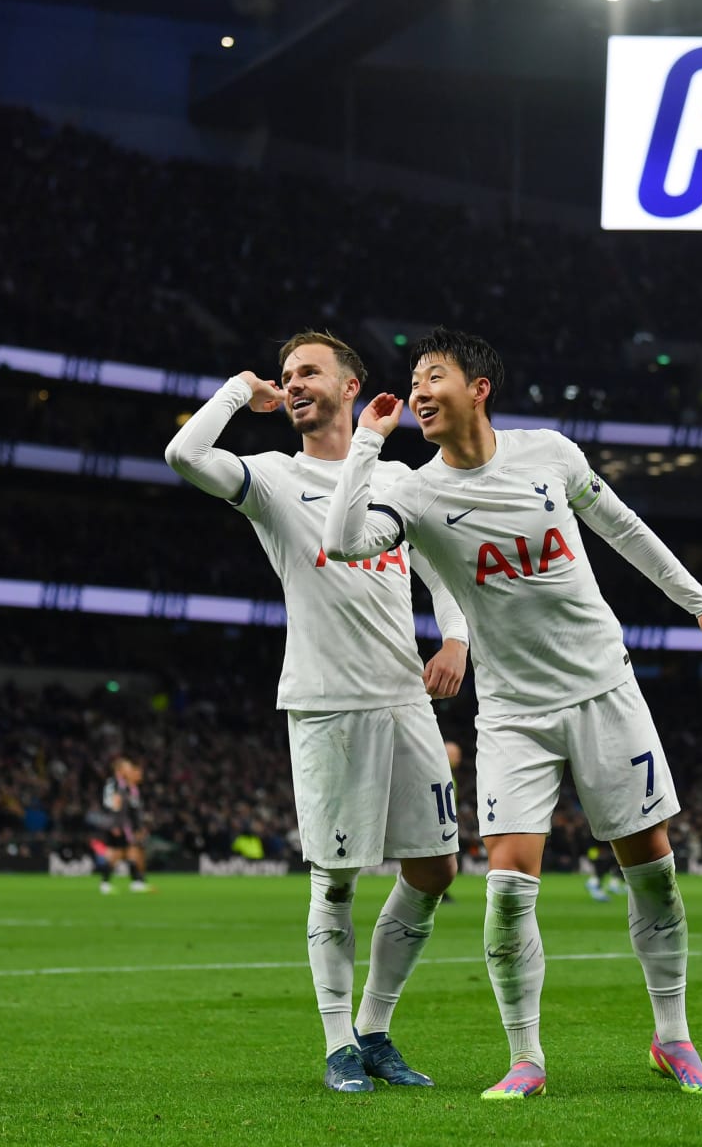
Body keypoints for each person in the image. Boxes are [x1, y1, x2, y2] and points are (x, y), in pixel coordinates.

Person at [324, 326, 702, 1098]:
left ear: (479, 388)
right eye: (412, 380)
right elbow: (345, 540)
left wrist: (701, 604)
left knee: (654, 876)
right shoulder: (410, 490)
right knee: (508, 888)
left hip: (605, 692)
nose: (417, 391)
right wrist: (367, 445)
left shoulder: (550, 453)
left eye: (434, 376)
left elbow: (622, 528)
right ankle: (527, 1059)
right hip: (513, 715)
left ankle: (674, 1040)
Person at [164, 329, 471, 1091]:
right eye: (285, 374)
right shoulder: (271, 476)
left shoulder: (396, 477)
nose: (293, 382)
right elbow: (184, 457)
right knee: (335, 881)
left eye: (309, 372)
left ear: (350, 388)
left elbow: (443, 574)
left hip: (404, 697)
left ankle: (375, 1028)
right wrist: (241, 389)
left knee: (435, 869)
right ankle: (339, 1044)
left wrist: (456, 640)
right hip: (328, 705)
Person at [91, 757, 152, 894]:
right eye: (127, 767)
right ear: (120, 769)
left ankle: (135, 881)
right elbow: (111, 805)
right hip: (117, 824)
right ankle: (108, 883)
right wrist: (114, 824)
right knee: (119, 853)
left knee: (128, 852)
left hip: (122, 824)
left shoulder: (123, 785)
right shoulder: (114, 784)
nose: (130, 770)